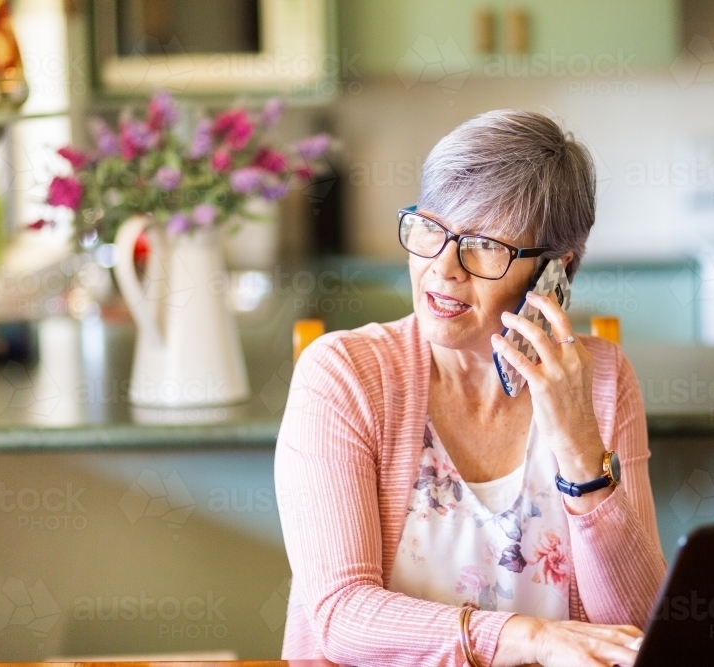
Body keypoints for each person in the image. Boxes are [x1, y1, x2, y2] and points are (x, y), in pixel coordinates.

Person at [275, 110, 667, 667]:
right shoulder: (342, 375)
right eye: (431, 228)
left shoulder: (600, 382)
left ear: (553, 271)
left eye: (484, 244)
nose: (443, 267)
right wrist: (527, 638)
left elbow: (636, 632)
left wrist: (581, 450)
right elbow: (343, 616)